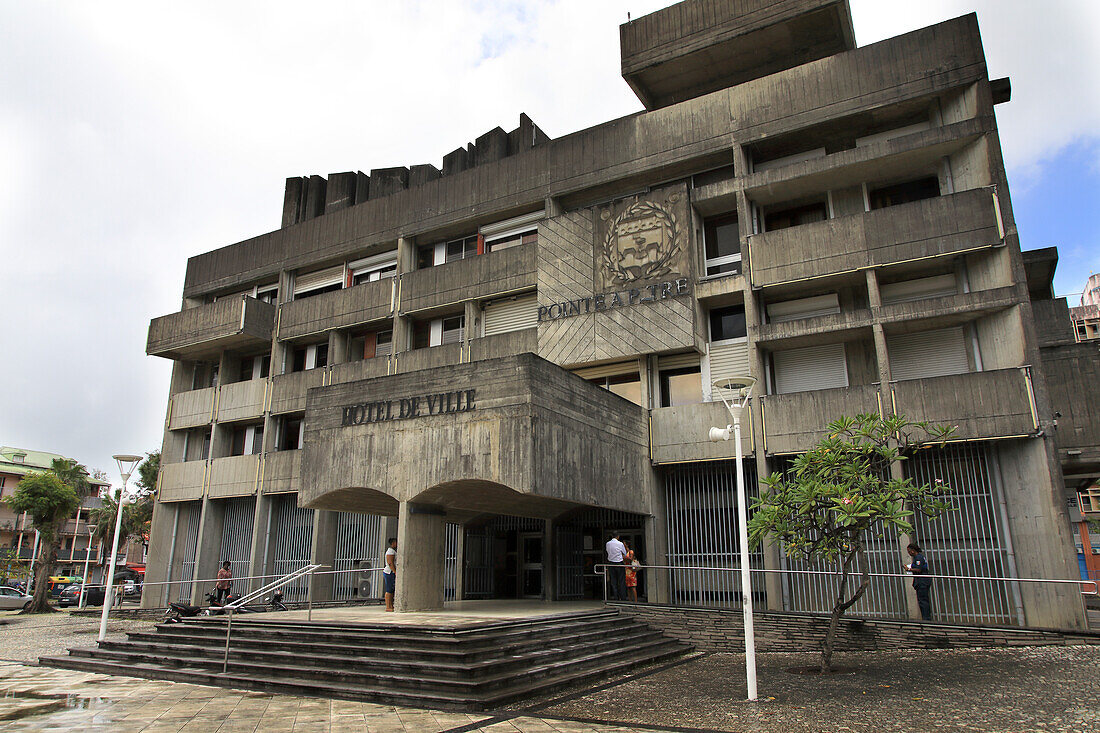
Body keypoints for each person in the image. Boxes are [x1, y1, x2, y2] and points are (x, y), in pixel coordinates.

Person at [904, 543, 933, 621]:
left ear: (913, 551)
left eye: (909, 551)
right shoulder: (918, 558)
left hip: (922, 581)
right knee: (922, 600)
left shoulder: (918, 558)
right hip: (921, 581)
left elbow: (919, 569)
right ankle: (925, 617)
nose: (909, 553)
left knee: (923, 600)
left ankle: (926, 618)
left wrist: (909, 569)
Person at [604, 532, 627, 601]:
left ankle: (615, 597)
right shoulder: (620, 544)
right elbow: (625, 553)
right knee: (621, 581)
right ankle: (623, 598)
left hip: (611, 563)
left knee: (613, 582)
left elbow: (607, 551)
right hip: (619, 563)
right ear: (618, 536)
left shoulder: (608, 544)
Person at [383, 537, 397, 612]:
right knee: (389, 589)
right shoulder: (390, 551)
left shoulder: (393, 551)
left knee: (391, 589)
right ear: (393, 543)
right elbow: (390, 563)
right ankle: (388, 606)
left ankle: (391, 605)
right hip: (389, 572)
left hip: (391, 572)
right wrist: (394, 571)